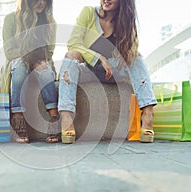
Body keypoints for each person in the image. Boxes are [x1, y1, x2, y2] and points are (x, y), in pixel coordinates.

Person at [58, 0, 157, 144]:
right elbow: (73, 43)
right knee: (71, 54)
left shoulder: (127, 21)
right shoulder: (89, 13)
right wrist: (98, 58)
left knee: (135, 55)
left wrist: (126, 53)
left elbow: (132, 51)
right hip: (88, 69)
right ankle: (66, 117)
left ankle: (148, 114)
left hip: (115, 71)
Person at [0, 0, 60, 143]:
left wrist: (37, 60)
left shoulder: (51, 23)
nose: (41, 2)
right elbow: (9, 52)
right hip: (18, 61)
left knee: (45, 72)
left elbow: (49, 53)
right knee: (20, 66)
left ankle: (54, 116)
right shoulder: (10, 19)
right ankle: (17, 116)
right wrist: (30, 56)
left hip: (41, 61)